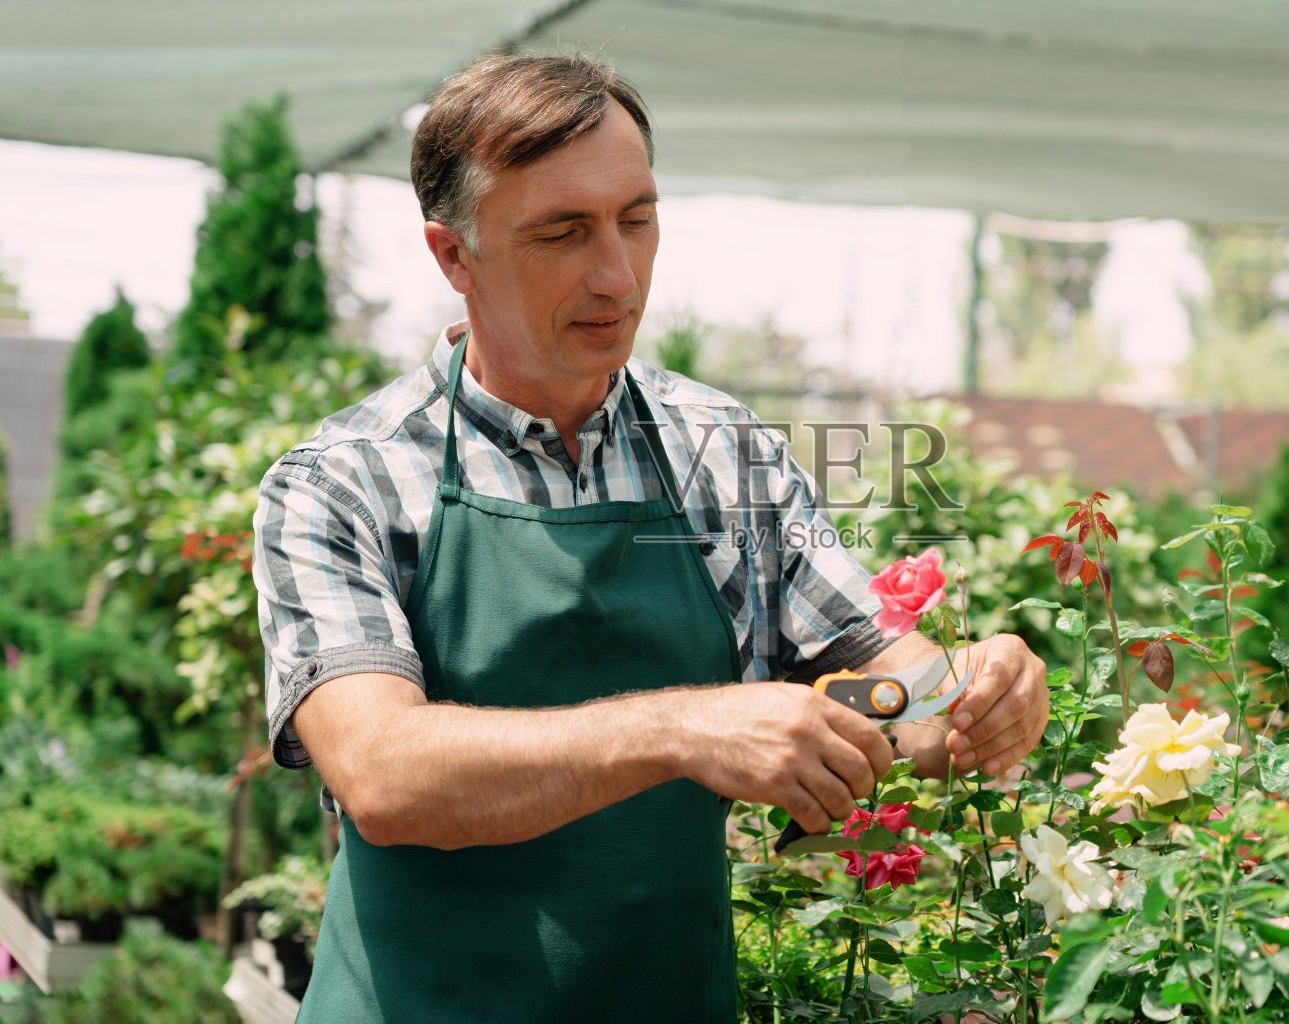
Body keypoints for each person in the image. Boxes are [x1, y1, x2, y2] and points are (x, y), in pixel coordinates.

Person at [252, 52, 1048, 1022]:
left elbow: (879, 677)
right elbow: (384, 771)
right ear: (453, 255)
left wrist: (968, 692)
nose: (615, 273)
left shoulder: (723, 458)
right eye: (562, 232)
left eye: (637, 218)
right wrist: (681, 728)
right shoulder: (349, 478)